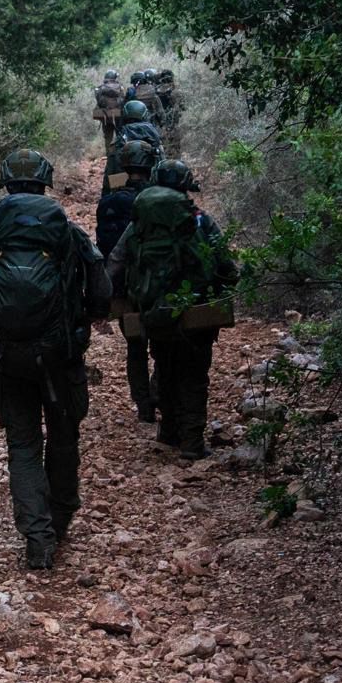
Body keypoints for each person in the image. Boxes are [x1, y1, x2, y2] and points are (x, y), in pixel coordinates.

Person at [0, 149, 111, 569]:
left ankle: (37, 539)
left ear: (6, 182)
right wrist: (89, 317)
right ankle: (60, 520)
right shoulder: (64, 226)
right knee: (64, 436)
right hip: (60, 354)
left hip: (7, 357)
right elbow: (99, 282)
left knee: (23, 443)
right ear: (45, 180)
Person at [108, 160, 236, 460]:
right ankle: (191, 443)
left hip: (153, 309)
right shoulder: (199, 220)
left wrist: (111, 300)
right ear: (184, 187)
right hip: (195, 310)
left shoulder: (140, 223)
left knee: (164, 367)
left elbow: (117, 260)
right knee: (194, 374)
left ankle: (168, 432)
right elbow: (226, 265)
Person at [94, 138, 163, 422]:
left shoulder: (111, 197)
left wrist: (104, 295)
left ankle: (143, 406)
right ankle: (160, 392)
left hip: (124, 289)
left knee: (135, 347)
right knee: (163, 345)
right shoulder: (160, 197)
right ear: (150, 164)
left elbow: (107, 248)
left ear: (124, 163)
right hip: (159, 286)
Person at [100, 101, 163, 196]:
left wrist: (105, 196)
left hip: (123, 187)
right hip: (151, 187)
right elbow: (162, 163)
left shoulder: (119, 139)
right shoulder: (154, 136)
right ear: (145, 115)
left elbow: (110, 173)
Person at [92, 69, 126, 151]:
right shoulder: (120, 87)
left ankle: (109, 154)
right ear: (114, 77)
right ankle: (120, 152)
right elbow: (123, 100)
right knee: (120, 134)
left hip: (105, 115)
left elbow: (98, 101)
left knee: (108, 137)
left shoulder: (100, 88)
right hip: (118, 115)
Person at [156, 69, 182, 154]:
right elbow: (182, 106)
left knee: (161, 144)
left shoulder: (156, 90)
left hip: (160, 123)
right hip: (173, 122)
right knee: (175, 145)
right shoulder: (176, 91)